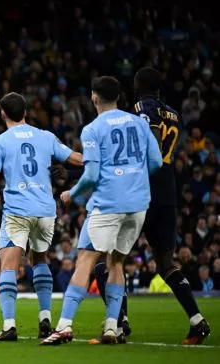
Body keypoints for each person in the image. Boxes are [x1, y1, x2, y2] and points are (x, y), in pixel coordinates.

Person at [41, 76, 162, 346]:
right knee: (117, 262)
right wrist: (135, 178)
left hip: (108, 204)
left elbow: (92, 174)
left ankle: (64, 326)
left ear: (94, 97)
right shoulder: (139, 123)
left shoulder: (93, 129)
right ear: (119, 97)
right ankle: (112, 327)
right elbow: (155, 161)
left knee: (85, 260)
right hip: (139, 204)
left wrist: (71, 193)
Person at [93, 67, 210, 344]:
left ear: (138, 86)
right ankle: (196, 320)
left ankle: (118, 323)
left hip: (141, 188)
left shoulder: (139, 108)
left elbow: (152, 147)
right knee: (166, 263)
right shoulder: (173, 112)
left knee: (107, 260)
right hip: (168, 190)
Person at [0, 92, 83, 342]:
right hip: (45, 210)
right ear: (25, 112)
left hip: (18, 211)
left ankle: (9, 325)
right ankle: (45, 319)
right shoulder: (45, 136)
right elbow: (76, 158)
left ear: (2, 113)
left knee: (9, 264)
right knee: (39, 259)